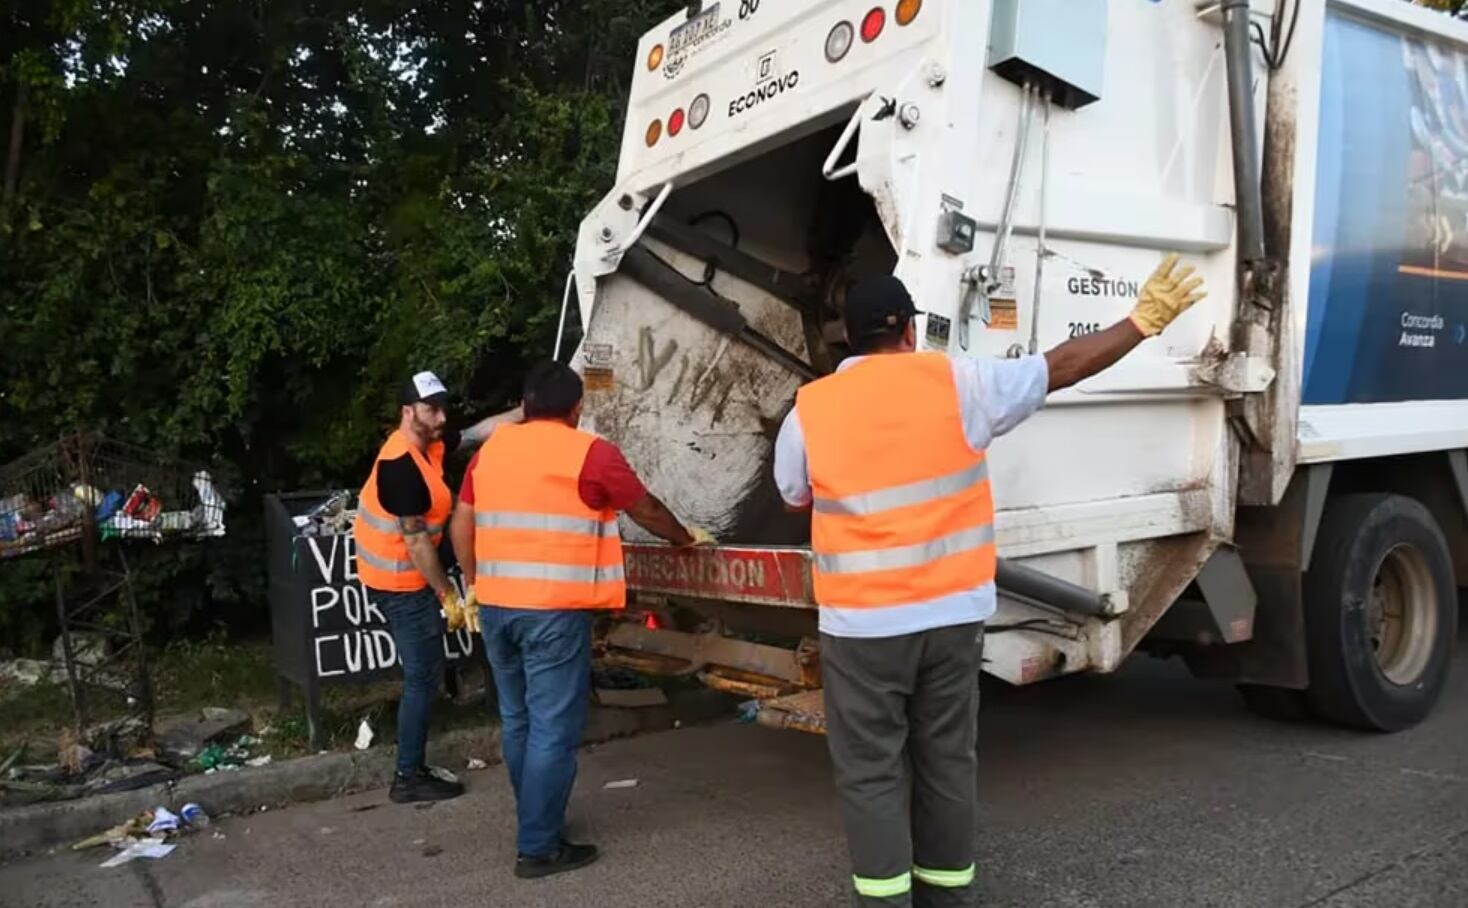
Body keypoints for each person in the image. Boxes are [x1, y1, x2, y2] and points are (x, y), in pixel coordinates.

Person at [773, 257, 1205, 907]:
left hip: (862, 628)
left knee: (870, 772)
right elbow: (1062, 366)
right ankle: (947, 897)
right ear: (911, 333)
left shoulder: (810, 410)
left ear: (848, 338)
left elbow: (791, 495)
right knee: (946, 757)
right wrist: (1139, 323)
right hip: (950, 617)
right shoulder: (960, 384)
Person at [449, 360, 709, 879]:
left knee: (519, 720)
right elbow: (647, 509)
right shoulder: (590, 453)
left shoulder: (491, 451)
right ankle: (539, 847)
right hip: (552, 614)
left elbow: (462, 522)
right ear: (576, 407)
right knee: (551, 728)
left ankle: (536, 821)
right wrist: (686, 539)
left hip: (497, 609)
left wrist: (475, 584)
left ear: (524, 407)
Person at [354, 370, 520, 804]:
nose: (442, 416)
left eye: (443, 407)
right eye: (432, 409)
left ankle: (412, 768)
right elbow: (414, 545)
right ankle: (408, 775)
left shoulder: (428, 444)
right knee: (423, 677)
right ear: (409, 412)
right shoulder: (400, 467)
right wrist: (447, 595)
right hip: (403, 582)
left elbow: (478, 433)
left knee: (423, 674)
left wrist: (526, 412)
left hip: (409, 573)